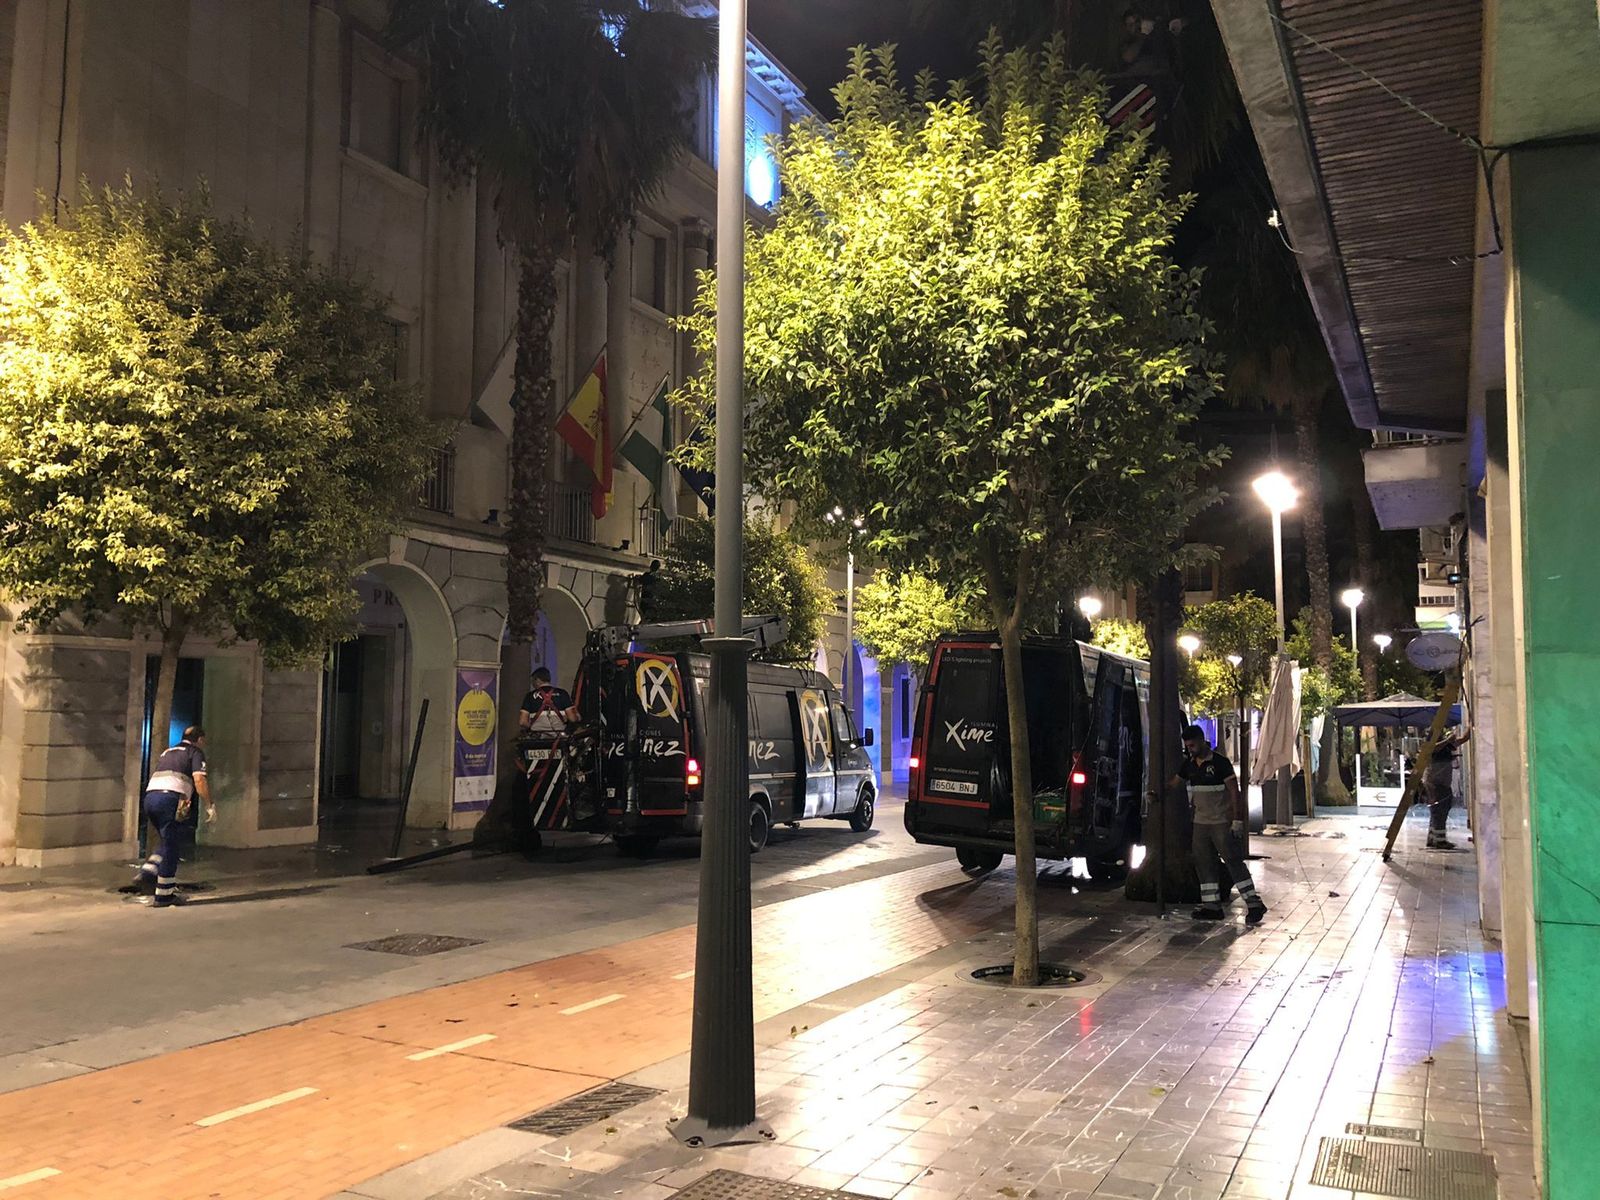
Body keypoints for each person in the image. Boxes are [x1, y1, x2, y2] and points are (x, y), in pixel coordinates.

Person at [1173, 724, 1268, 926]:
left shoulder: (1220, 763)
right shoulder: (1189, 764)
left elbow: (1234, 792)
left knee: (1233, 862)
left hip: (1221, 822)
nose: (1190, 749)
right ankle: (1212, 906)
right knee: (1204, 863)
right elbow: (1175, 783)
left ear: (1202, 741)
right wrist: (1156, 793)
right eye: (1187, 746)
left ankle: (1254, 903)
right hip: (1200, 823)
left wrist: (1237, 820)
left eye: (1192, 745)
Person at [133, 725, 214, 907]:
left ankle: (149, 871)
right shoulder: (195, 752)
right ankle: (164, 896)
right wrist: (209, 805)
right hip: (170, 799)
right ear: (200, 739)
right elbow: (199, 780)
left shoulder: (168, 751)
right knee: (172, 847)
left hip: (151, 798)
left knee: (168, 840)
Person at [1424, 727, 1471, 849]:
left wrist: (1470, 727)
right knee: (1439, 810)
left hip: (1443, 782)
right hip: (1435, 783)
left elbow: (1462, 740)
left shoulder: (1445, 746)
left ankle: (1433, 838)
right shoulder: (1430, 746)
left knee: (1438, 810)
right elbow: (1432, 748)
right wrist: (1447, 740)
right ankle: (1439, 840)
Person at [519, 667, 576, 734]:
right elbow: (572, 718)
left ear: (537, 680)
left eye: (533, 681)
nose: (532, 684)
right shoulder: (563, 693)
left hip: (537, 737)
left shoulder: (529, 696)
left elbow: (522, 722)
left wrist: (531, 727)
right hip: (559, 737)